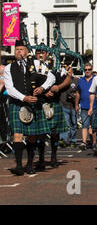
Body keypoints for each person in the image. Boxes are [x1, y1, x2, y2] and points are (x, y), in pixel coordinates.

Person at [4, 39, 55, 175]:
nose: (18, 52)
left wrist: (42, 87)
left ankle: (29, 164)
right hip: (18, 104)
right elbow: (9, 88)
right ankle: (19, 165)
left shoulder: (37, 64)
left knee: (32, 136)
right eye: (16, 50)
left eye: (21, 49)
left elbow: (51, 77)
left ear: (27, 51)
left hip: (34, 104)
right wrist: (24, 97)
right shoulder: (9, 68)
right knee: (17, 135)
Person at [34, 45, 72, 170]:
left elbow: (68, 80)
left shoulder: (56, 67)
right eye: (38, 52)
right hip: (39, 103)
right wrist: (44, 92)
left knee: (55, 133)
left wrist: (58, 88)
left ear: (47, 54)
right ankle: (40, 159)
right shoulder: (32, 68)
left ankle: (54, 157)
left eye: (43, 53)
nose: (41, 55)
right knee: (40, 133)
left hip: (54, 102)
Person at [76, 63, 97, 150]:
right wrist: (76, 104)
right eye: (86, 70)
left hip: (95, 106)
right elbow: (78, 93)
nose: (87, 71)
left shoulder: (96, 79)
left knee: (93, 126)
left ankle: (94, 142)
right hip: (84, 106)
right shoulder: (80, 80)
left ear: (92, 70)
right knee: (84, 125)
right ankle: (84, 142)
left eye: (89, 69)